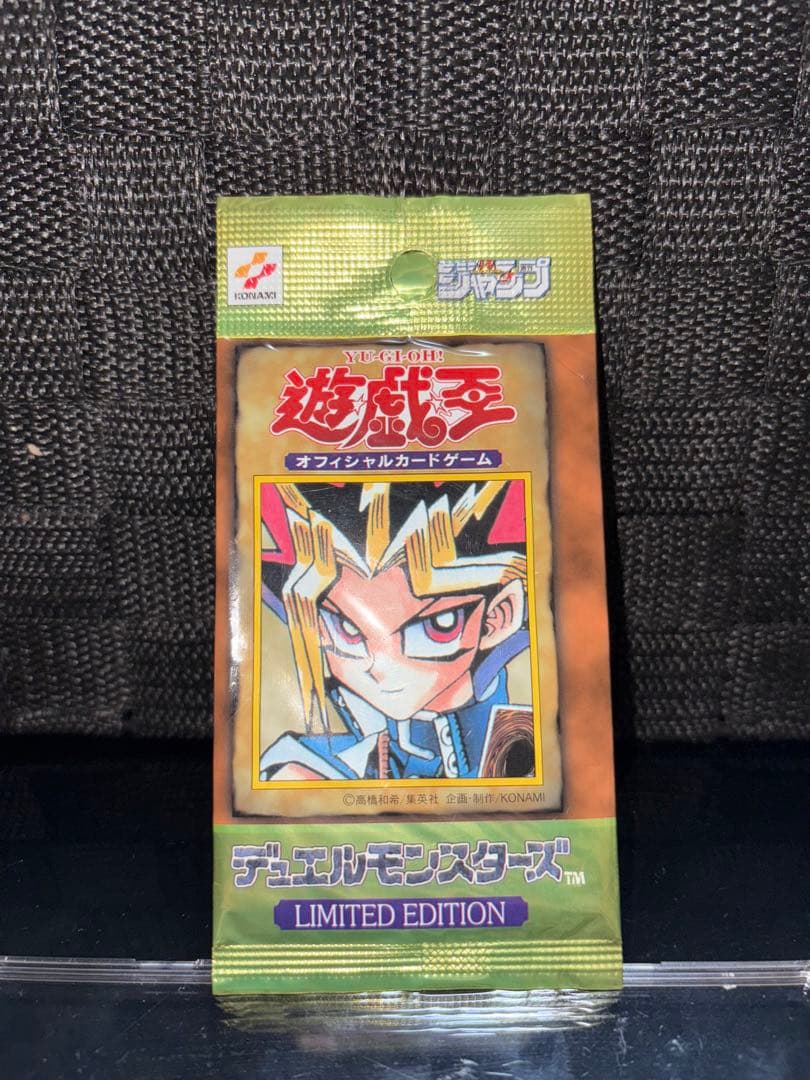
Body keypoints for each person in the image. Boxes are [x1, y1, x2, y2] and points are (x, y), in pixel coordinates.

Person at [258, 479, 532, 780]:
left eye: (438, 626)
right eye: (347, 628)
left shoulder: (532, 744)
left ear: (498, 617)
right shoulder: (308, 764)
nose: (379, 669)